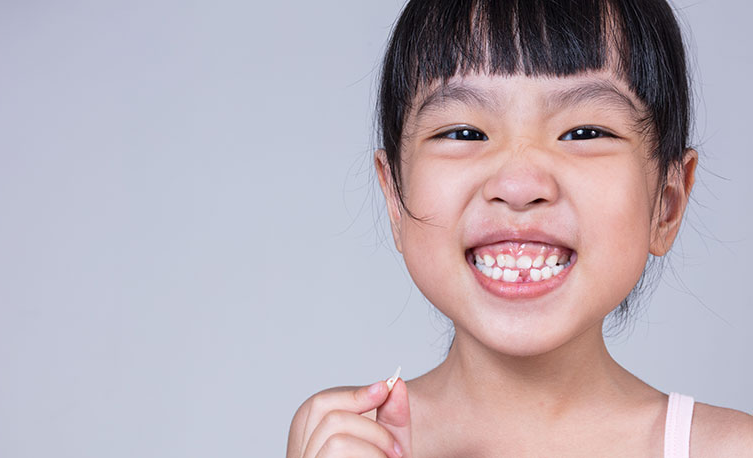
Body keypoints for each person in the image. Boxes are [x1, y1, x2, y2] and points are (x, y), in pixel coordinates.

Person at [286, 0, 753, 456]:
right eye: (464, 133)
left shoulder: (728, 448)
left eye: (585, 132)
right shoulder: (345, 437)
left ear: (666, 205)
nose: (518, 184)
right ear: (395, 197)